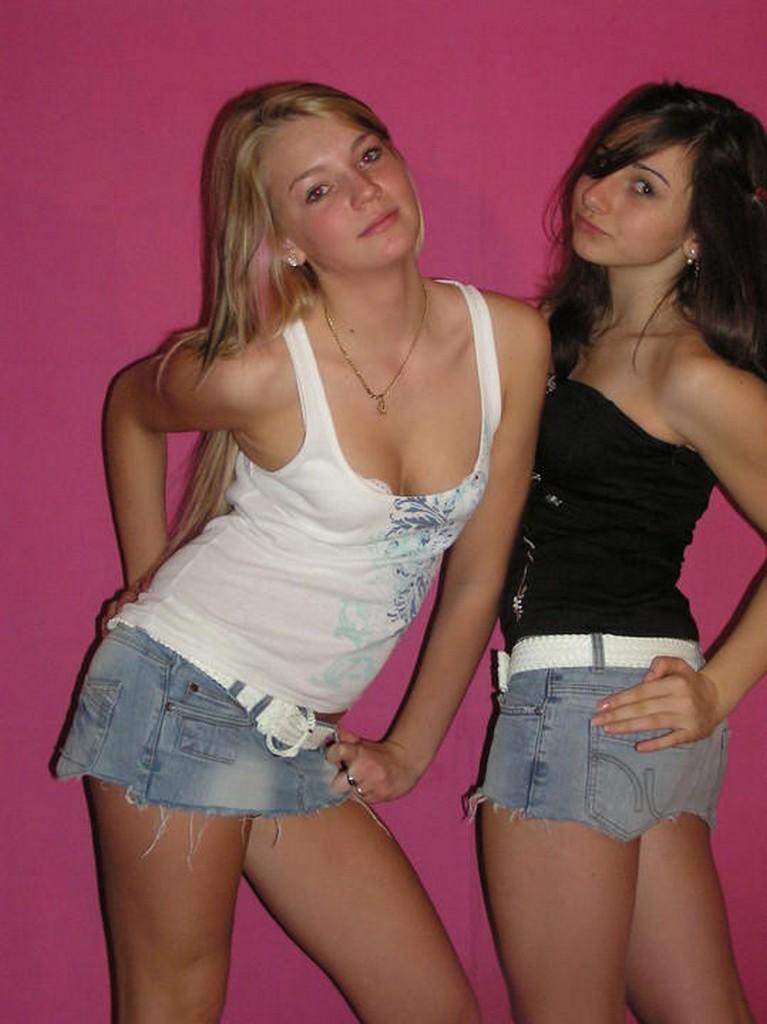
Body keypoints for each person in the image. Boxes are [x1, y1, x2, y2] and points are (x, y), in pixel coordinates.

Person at [54, 81, 549, 1023]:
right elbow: (131, 407)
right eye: (317, 190)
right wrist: (146, 577)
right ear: (284, 240)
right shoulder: (261, 369)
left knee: (433, 1008)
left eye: (368, 156)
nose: (364, 192)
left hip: (298, 732)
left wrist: (411, 747)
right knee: (176, 1003)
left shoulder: (510, 342)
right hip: (180, 692)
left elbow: (479, 571)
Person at [472, 82, 767, 1023]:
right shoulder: (572, 338)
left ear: (701, 231)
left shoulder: (687, 371)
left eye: (642, 186)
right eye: (604, 166)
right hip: (632, 704)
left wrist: (719, 690)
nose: (596, 194)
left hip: (581, 703)